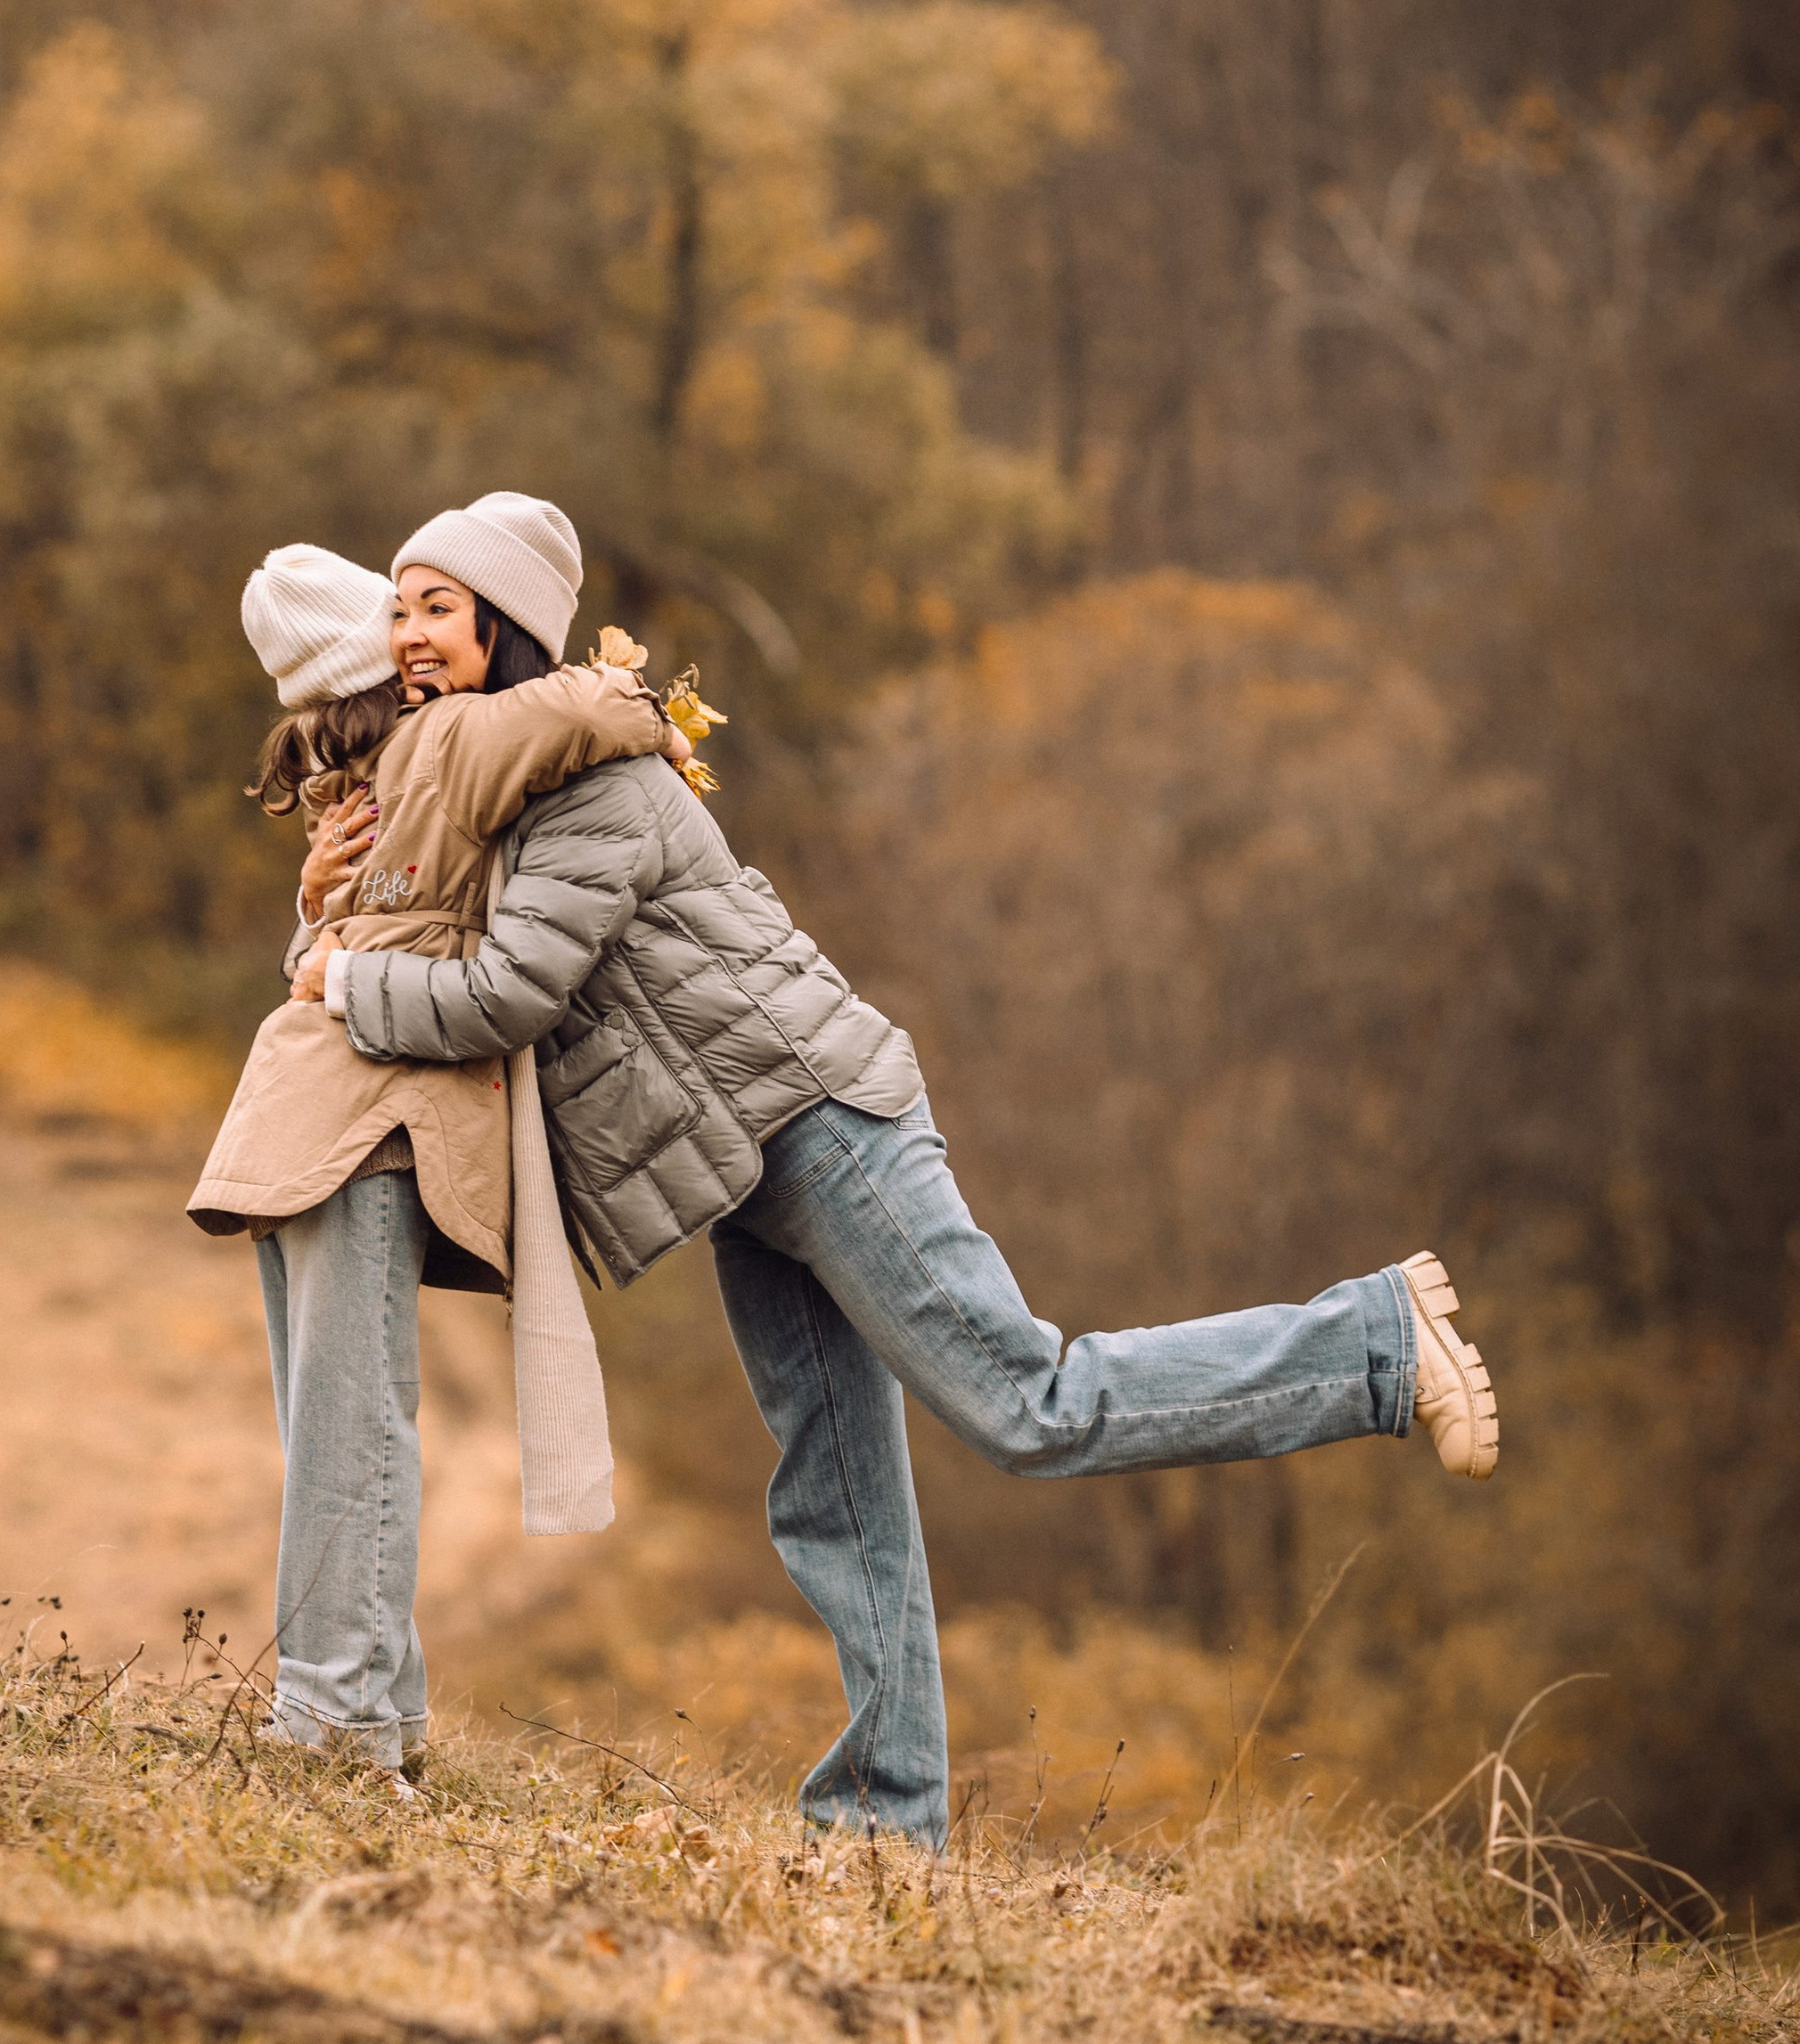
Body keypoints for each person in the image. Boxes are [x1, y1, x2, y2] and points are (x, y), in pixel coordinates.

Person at [323, 496, 1502, 1847]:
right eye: (397, 606)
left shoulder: (594, 787)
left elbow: (505, 994)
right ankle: (888, 1823)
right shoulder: (505, 787)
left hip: (825, 1127)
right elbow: (412, 916)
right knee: (834, 1488)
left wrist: (341, 976)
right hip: (750, 1169)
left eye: (435, 606)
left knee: (1030, 1402)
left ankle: (1372, 1341)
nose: (406, 633)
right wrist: (328, 905)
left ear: (505, 626)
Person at [188, 533, 681, 1777]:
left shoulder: (361, 777)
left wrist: (313, 917)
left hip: (299, 1120)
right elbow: (581, 704)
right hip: (361, 1128)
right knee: (361, 1436)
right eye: (399, 619)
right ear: (378, 648)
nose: (420, 643)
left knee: (335, 1432)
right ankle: (339, 1730)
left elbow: (344, 938)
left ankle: (375, 1723)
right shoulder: (445, 742)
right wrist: (649, 707)